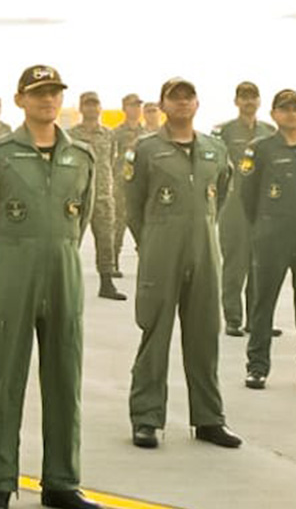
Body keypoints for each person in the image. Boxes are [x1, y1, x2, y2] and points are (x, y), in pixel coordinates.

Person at [0, 65, 102, 509]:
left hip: (62, 269)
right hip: (13, 267)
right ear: (21, 99)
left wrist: (57, 251)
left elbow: (80, 219)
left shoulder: (80, 155)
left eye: (54, 93)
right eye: (39, 93)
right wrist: (4, 263)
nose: (48, 100)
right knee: (4, 379)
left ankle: (62, 481)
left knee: (65, 377)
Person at [123, 78, 239, 449]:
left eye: (188, 97)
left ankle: (208, 418)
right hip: (161, 247)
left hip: (203, 248)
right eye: (175, 98)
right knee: (155, 333)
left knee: (205, 334)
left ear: (197, 103)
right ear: (163, 104)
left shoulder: (214, 148)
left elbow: (220, 193)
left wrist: (198, 227)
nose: (183, 103)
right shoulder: (145, 150)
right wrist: (153, 240)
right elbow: (133, 203)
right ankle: (146, 418)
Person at [239, 88, 296, 390]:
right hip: (271, 235)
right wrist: (262, 226)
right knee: (263, 304)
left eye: (295, 108)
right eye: (285, 109)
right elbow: (247, 194)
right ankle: (257, 367)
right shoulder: (259, 148)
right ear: (274, 114)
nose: (291, 113)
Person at [213, 82, 275, 336]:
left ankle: (256, 321)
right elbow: (217, 167)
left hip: (262, 207)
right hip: (234, 205)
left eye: (253, 97)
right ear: (236, 101)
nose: (249, 102)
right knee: (235, 264)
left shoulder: (269, 131)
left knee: (260, 266)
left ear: (259, 101)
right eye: (244, 97)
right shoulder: (224, 131)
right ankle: (233, 319)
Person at [68, 92, 125, 301]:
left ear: (100, 108)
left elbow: (110, 161)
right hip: (78, 195)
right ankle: (68, 282)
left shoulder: (109, 135)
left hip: (102, 195)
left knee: (106, 239)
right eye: (87, 105)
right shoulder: (71, 135)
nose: (91, 109)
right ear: (81, 108)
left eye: (95, 105)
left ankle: (107, 282)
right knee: (72, 240)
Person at [109, 94, 146, 277]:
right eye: (132, 105)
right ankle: (113, 262)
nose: (136, 109)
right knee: (118, 224)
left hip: (141, 186)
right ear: (124, 108)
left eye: (138, 105)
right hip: (121, 185)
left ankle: (146, 261)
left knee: (144, 225)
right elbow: (109, 158)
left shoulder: (147, 134)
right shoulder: (116, 133)